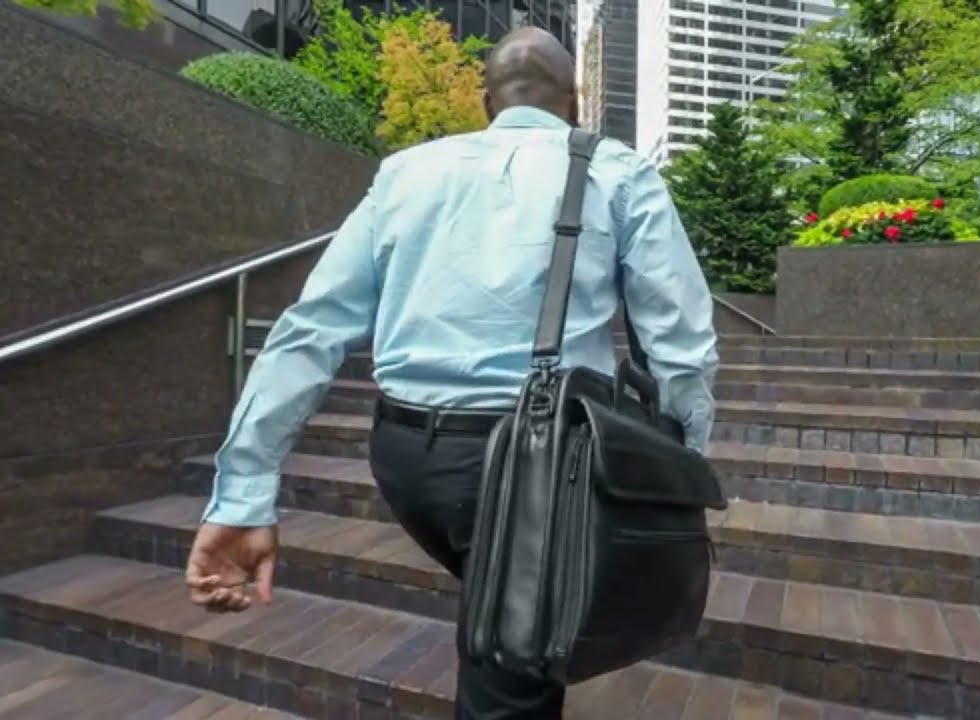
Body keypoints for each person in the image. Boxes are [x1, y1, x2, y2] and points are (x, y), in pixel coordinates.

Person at [183, 26, 719, 720]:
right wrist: (685, 470)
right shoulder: (618, 170)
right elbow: (680, 342)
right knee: (518, 654)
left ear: (483, 98)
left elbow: (309, 329)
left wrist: (243, 495)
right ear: (576, 102)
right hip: (541, 462)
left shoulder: (406, 171)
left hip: (407, 461)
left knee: (515, 626)